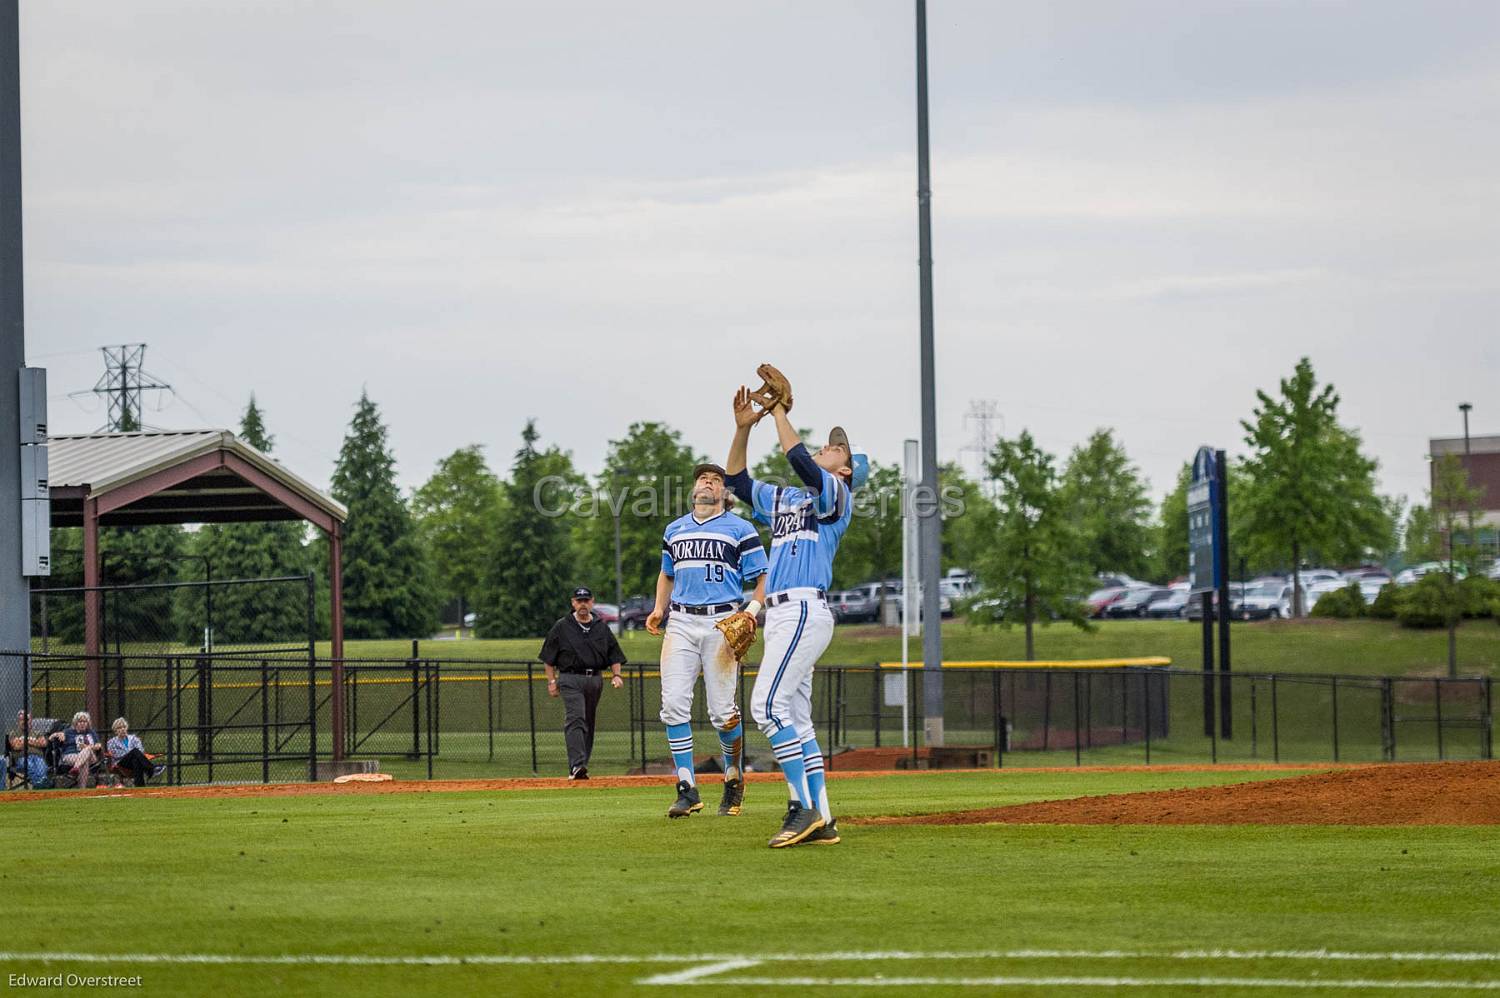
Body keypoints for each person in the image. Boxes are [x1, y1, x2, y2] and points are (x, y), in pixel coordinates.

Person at [726, 385, 867, 848]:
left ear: (846, 469)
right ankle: (822, 820)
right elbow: (738, 482)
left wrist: (781, 412)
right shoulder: (788, 500)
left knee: (765, 707)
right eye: (829, 441)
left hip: (804, 608)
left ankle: (799, 807)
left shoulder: (837, 496)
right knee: (796, 719)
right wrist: (744, 428)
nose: (828, 446)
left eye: (837, 446)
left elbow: (800, 459)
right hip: (783, 615)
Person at [645, 463, 768, 819]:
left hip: (722, 620)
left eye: (715, 479)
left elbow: (762, 576)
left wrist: (752, 610)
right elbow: (667, 573)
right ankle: (687, 789)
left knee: (722, 713)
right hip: (681, 620)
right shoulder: (675, 529)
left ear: (725, 494)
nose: (708, 482)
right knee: (673, 705)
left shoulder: (741, 529)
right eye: (703, 478)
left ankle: (733, 776)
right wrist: (658, 609)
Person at [539, 587, 627, 780]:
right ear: (573, 603)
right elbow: (548, 658)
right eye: (579, 601)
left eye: (586, 600)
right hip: (570, 678)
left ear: (592, 602)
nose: (583, 604)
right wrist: (552, 681)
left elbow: (614, 653)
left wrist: (617, 675)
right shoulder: (562, 626)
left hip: (595, 679)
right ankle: (576, 765)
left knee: (588, 722)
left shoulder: (600, 626)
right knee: (576, 718)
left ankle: (582, 766)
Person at [106, 718, 164, 788]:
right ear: (115, 731)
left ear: (126, 728)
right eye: (119, 728)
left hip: (133, 762)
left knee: (136, 761)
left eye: (124, 727)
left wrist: (132, 753)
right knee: (134, 751)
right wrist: (131, 752)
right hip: (121, 763)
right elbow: (116, 754)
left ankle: (140, 786)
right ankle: (151, 770)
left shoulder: (134, 738)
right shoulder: (111, 742)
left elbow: (141, 750)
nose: (122, 729)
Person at [51, 711, 104, 789]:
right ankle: (82, 789)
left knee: (87, 749)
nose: (82, 723)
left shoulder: (91, 732)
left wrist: (88, 746)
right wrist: (57, 734)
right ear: (75, 723)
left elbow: (99, 745)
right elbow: (50, 738)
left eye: (85, 721)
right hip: (70, 755)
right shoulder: (68, 732)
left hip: (91, 757)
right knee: (84, 762)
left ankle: (75, 768)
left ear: (88, 723)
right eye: (80, 721)